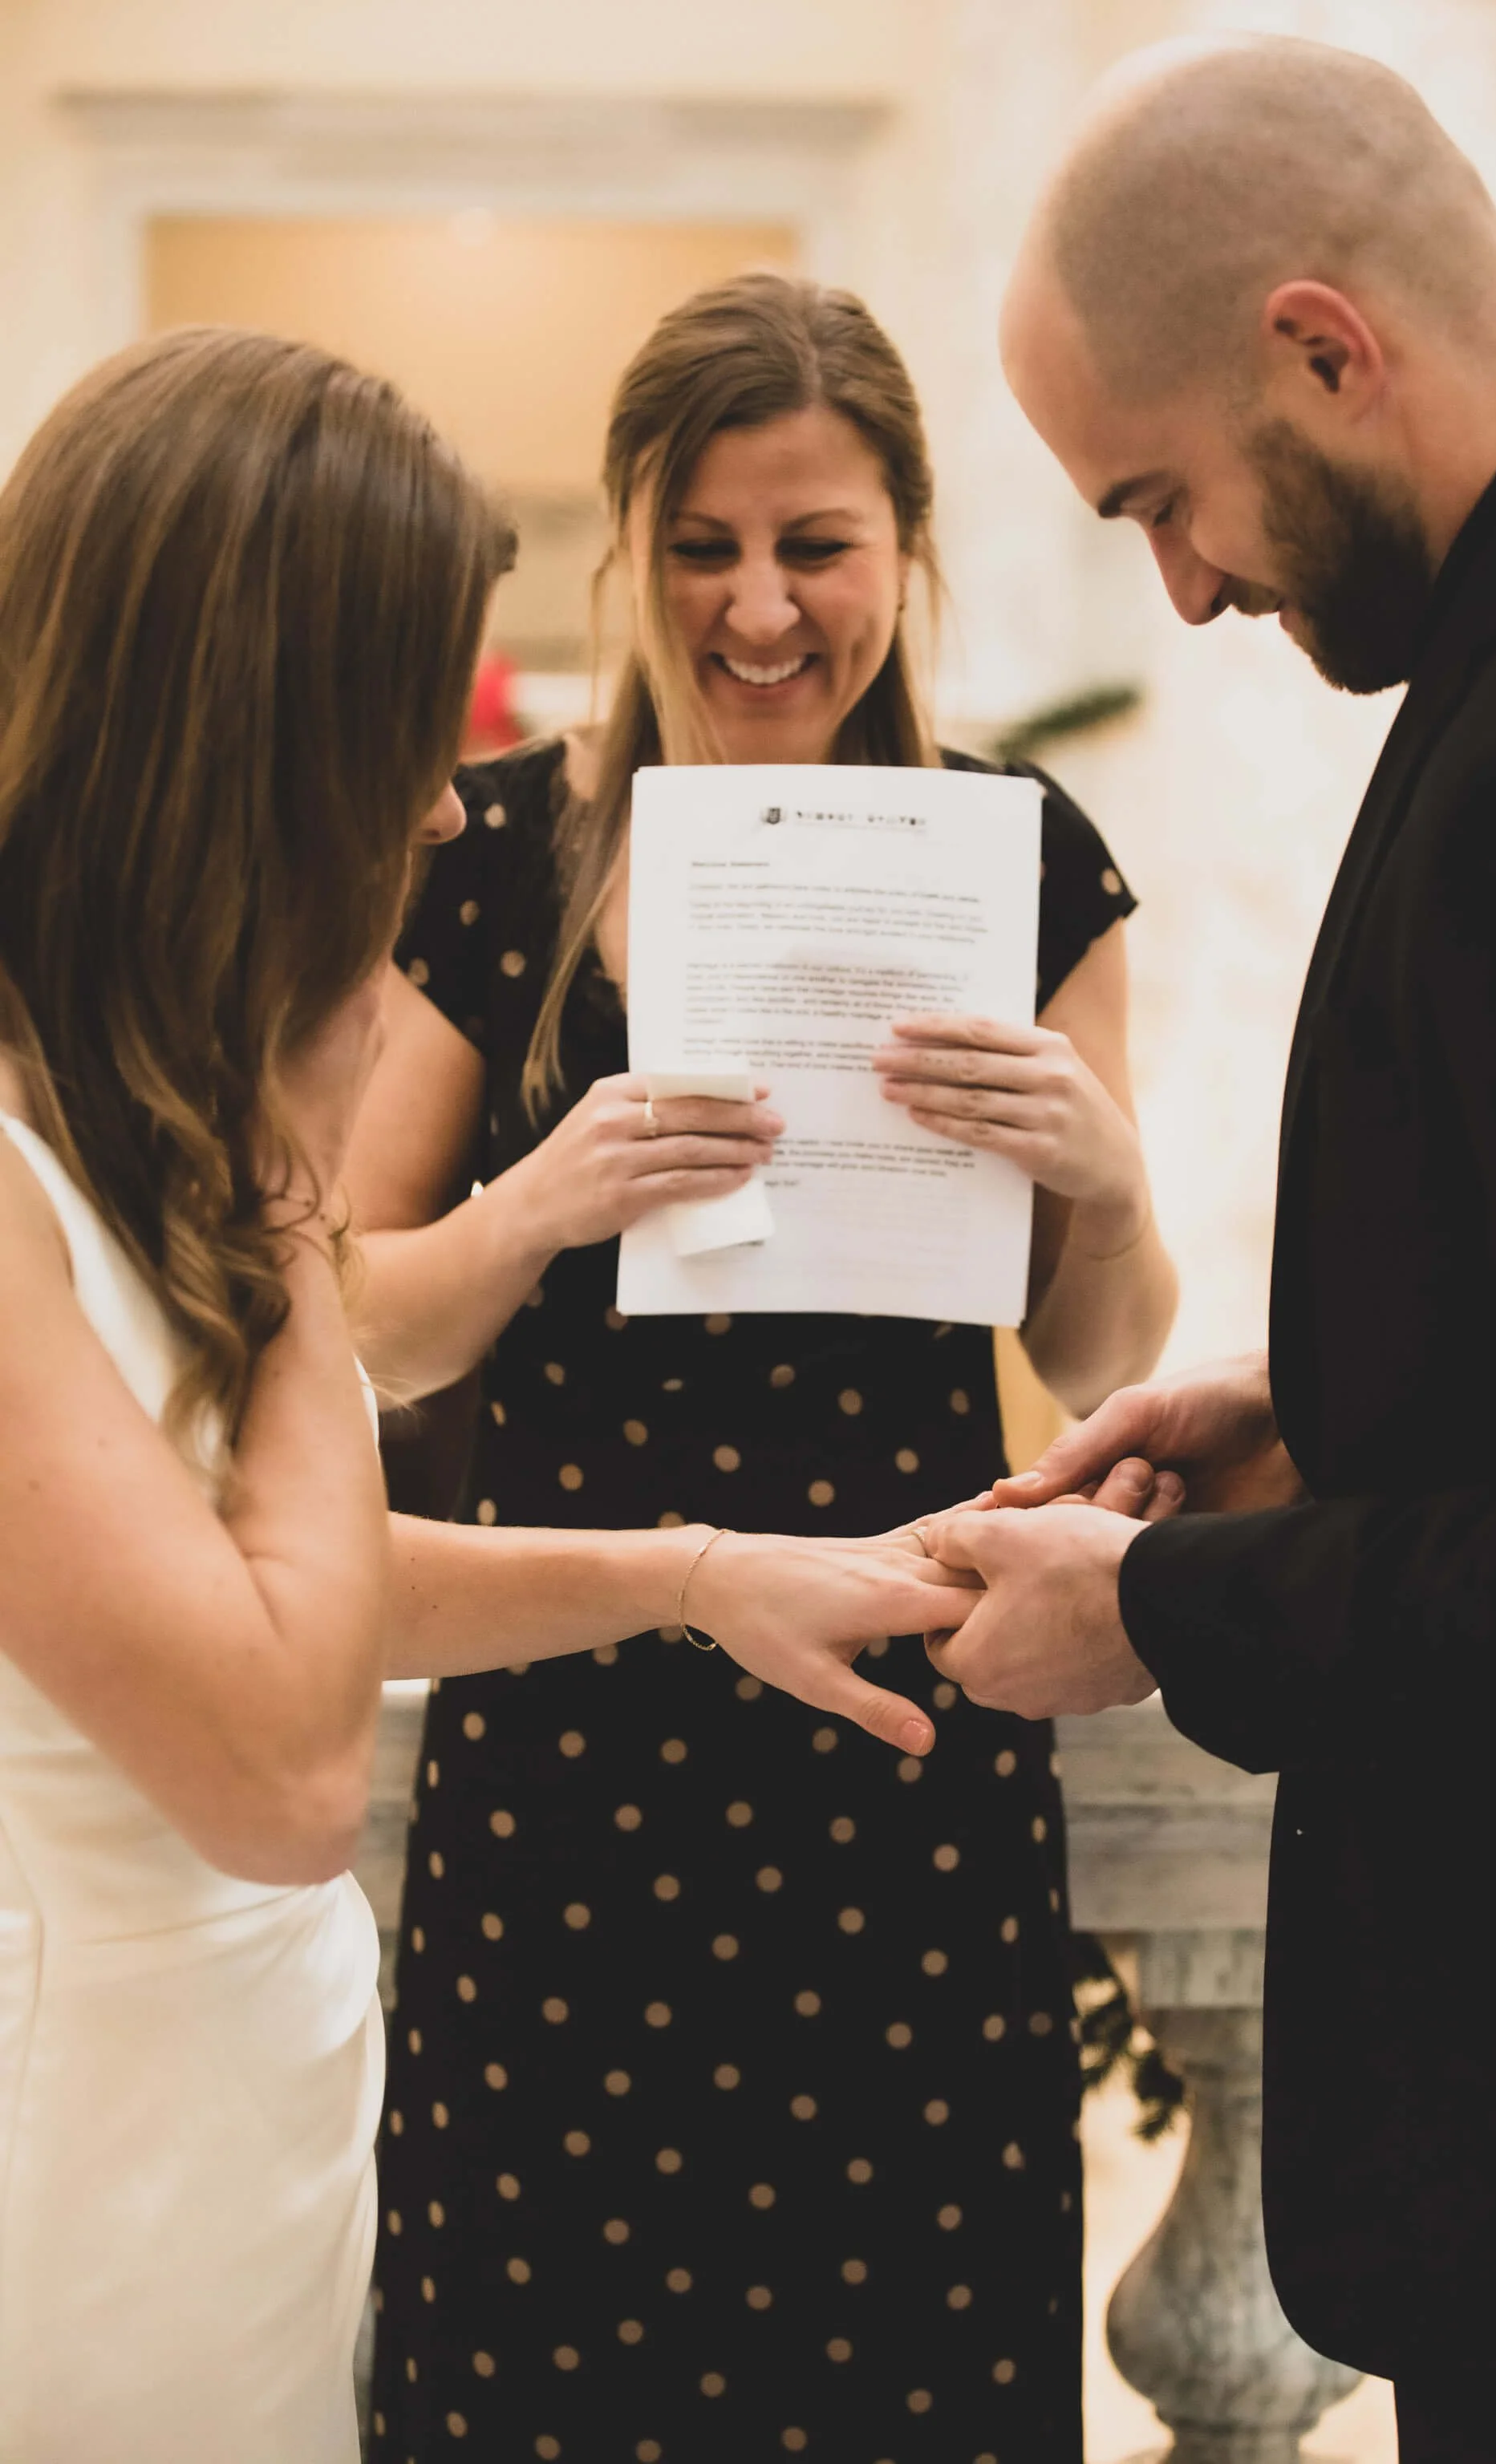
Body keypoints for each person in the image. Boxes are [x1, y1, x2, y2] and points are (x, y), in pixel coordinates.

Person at [0, 326, 973, 2464]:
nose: (446, 805)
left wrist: (697, 1575)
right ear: (254, 735)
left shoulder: (108, 1105)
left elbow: (268, 1582)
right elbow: (278, 1763)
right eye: (403, 732)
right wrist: (286, 1187)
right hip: (88, 2183)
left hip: (250, 2139)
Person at [349, 270, 1175, 2463]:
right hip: (572, 1718)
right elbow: (354, 1308)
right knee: (545, 2363)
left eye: (817, 544)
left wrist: (1103, 1185)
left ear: (907, 545)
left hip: (905, 1725)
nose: (760, 606)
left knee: (898, 2368)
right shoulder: (493, 854)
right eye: (703, 546)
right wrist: (535, 1208)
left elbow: (1103, 1351)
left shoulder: (1023, 858)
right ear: (630, 548)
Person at [924, 34, 1496, 2461]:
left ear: (1325, 348)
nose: (1187, 586)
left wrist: (1152, 1607)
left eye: (1162, 497)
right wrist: (1321, 1407)